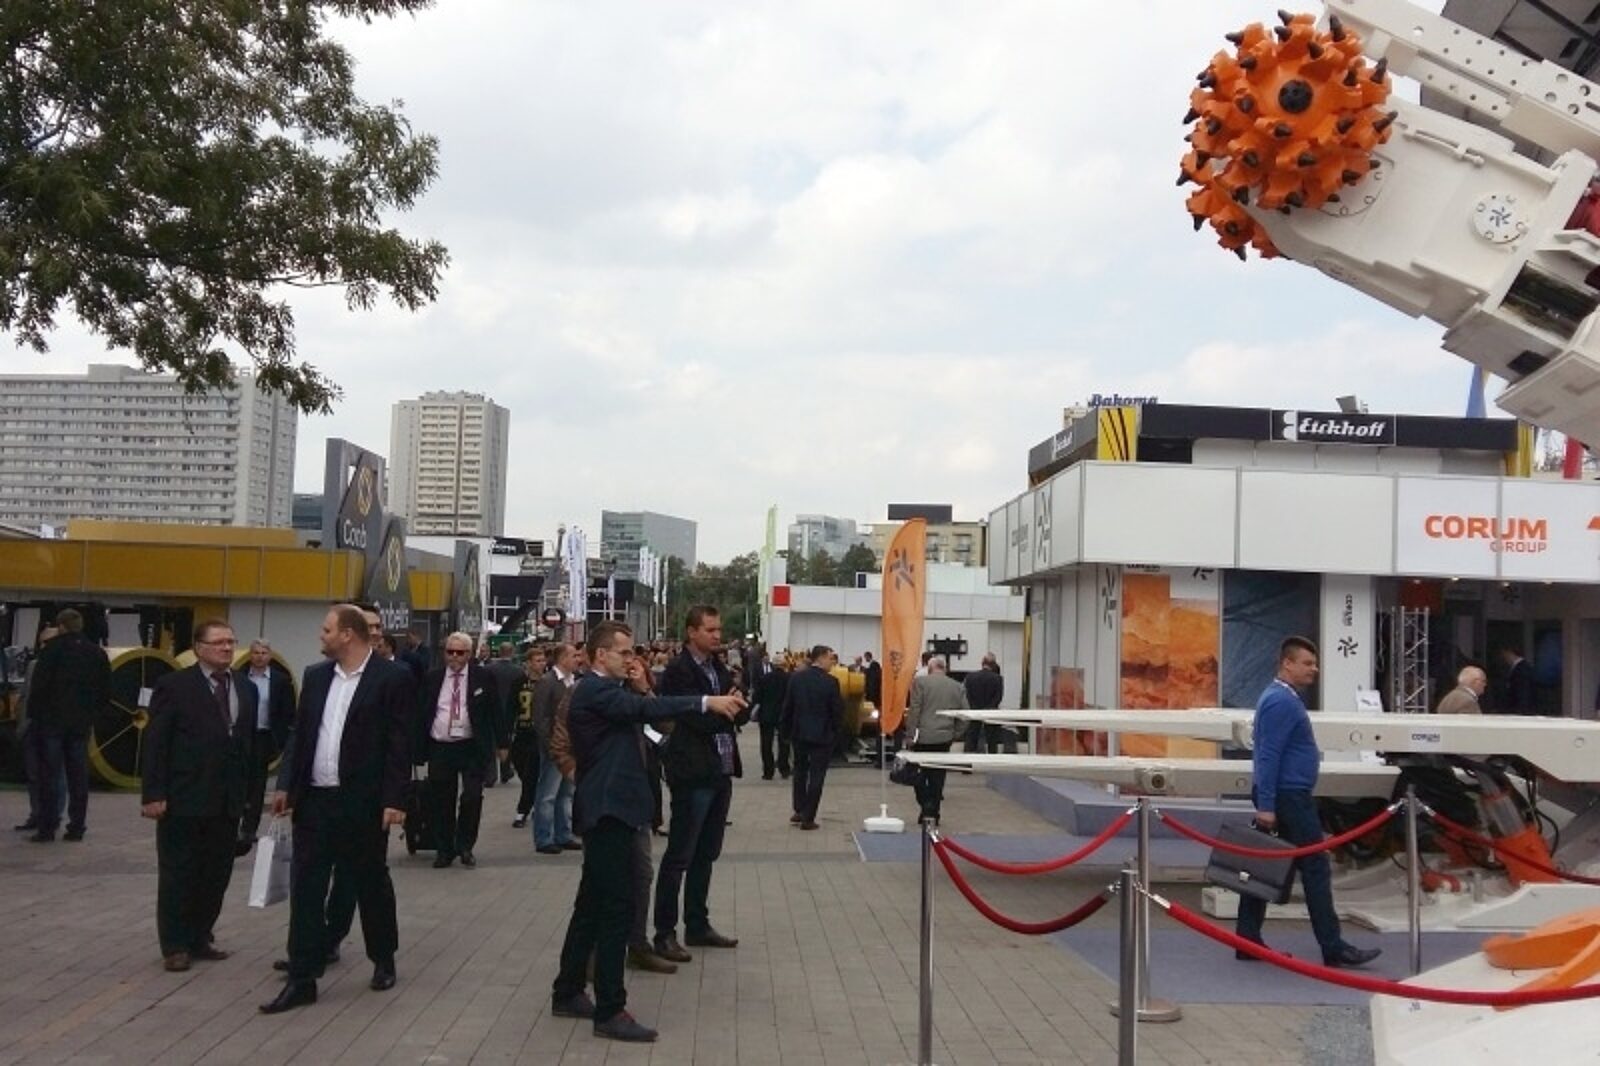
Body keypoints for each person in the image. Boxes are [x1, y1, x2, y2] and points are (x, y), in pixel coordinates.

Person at [550, 621, 744, 1043]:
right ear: (600, 656)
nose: (631, 659)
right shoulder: (595, 690)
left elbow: (653, 728)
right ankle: (610, 1009)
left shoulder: (614, 692)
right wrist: (705, 701)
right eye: (623, 652)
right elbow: (643, 713)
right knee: (617, 907)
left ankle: (568, 990)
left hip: (617, 809)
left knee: (591, 904)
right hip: (610, 811)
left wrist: (643, 690)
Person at [261, 605, 412, 1013]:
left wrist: (395, 799)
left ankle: (383, 956)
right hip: (315, 801)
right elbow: (300, 734)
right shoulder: (316, 676)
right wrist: (286, 784)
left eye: (327, 630)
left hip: (362, 802)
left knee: (370, 882)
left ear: (348, 634)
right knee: (306, 888)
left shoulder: (391, 678)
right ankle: (303, 976)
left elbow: (400, 742)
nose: (321, 636)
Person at [1236, 636, 1381, 969]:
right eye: (1307, 663)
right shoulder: (1281, 701)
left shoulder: (1280, 698)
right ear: (1287, 663)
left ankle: (1247, 939)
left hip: (1286, 795)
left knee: (1266, 865)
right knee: (1314, 868)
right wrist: (1267, 805)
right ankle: (1332, 946)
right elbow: (1268, 755)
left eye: (1314, 664)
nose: (1314, 669)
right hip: (1289, 797)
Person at [142, 619, 255, 972]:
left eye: (231, 641)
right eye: (219, 642)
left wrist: (250, 801)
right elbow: (156, 743)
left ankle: (200, 935)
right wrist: (153, 793)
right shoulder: (174, 686)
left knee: (215, 874)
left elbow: (249, 747)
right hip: (184, 797)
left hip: (227, 800)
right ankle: (175, 944)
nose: (226, 648)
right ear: (199, 648)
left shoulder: (245, 687)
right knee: (179, 873)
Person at [653, 605, 749, 964]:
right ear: (692, 632)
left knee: (706, 853)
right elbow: (692, 718)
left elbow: (735, 710)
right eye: (710, 630)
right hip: (693, 772)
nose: (717, 636)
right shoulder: (679, 671)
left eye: (718, 629)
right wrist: (723, 712)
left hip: (720, 770)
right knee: (680, 854)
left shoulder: (718, 667)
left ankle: (697, 923)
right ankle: (664, 931)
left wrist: (732, 709)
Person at [417, 631, 506, 869]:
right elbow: (422, 711)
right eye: (450, 652)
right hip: (441, 746)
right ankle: (444, 849)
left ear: (469, 654)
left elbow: (495, 710)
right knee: (441, 800)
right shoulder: (433, 678)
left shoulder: (483, 677)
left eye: (460, 652)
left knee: (472, 796)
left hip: (471, 747)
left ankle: (465, 845)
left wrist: (502, 743)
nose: (454, 657)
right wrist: (416, 748)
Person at [27, 608, 110, 843]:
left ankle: (47, 827)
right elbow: (105, 690)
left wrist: (34, 717)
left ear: (61, 626)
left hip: (51, 722)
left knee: (50, 776)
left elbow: (39, 687)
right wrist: (92, 715)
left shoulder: (51, 651)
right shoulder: (96, 653)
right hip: (80, 724)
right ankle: (77, 826)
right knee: (78, 776)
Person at [240, 639, 295, 854]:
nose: (260, 656)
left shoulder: (280, 681)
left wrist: (281, 739)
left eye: (264, 653)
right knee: (239, 779)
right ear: (250, 655)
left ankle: (249, 828)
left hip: (264, 737)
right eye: (256, 652)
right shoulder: (240, 677)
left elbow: (287, 712)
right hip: (242, 736)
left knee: (257, 783)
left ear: (270, 656)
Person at [781, 645, 844, 830]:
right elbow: (836, 711)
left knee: (799, 772)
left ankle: (799, 809)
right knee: (817, 775)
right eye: (830, 658)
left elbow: (788, 707)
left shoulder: (796, 678)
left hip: (799, 733)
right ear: (821, 658)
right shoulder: (831, 682)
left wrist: (785, 731)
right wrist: (836, 733)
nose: (832, 662)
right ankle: (808, 817)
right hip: (822, 735)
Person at [14, 625, 66, 834]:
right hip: (31, 726)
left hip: (54, 726)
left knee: (56, 774)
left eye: (48, 642)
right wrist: (22, 724)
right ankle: (36, 813)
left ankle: (54, 815)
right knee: (34, 774)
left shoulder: (63, 667)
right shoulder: (33, 665)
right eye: (42, 643)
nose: (44, 646)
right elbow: (24, 696)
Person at [532, 642, 582, 854]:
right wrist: (550, 745)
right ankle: (544, 837)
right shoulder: (548, 682)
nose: (578, 659)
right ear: (562, 659)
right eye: (574, 656)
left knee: (566, 793)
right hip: (554, 747)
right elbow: (540, 717)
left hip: (571, 747)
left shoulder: (574, 681)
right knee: (548, 794)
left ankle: (564, 833)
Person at [905, 656, 967, 825]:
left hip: (922, 737)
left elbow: (915, 710)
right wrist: (956, 733)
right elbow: (965, 714)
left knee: (919, 775)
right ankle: (934, 813)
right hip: (944, 738)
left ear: (929, 669)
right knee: (938, 776)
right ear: (944, 669)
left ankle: (926, 806)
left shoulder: (920, 683)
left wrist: (910, 734)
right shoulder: (957, 686)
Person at [510, 644, 547, 828]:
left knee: (531, 772)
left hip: (538, 734)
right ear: (529, 663)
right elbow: (511, 706)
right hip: (521, 731)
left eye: (543, 660)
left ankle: (522, 810)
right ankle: (532, 799)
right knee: (521, 768)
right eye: (537, 661)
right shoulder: (519, 682)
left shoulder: (547, 682)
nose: (541, 664)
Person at [485, 642, 525, 784]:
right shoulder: (519, 671)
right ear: (512, 652)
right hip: (510, 710)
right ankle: (506, 770)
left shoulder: (489, 669)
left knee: (491, 741)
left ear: (499, 652)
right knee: (507, 740)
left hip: (491, 709)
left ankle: (490, 774)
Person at [751, 646, 791, 780]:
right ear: (784, 665)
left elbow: (757, 697)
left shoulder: (764, 679)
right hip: (784, 714)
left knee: (766, 744)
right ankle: (784, 768)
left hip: (766, 714)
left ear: (773, 665)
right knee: (784, 742)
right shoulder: (789, 679)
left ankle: (768, 771)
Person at [962, 653, 1014, 754]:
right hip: (991, 713)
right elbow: (998, 697)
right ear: (994, 664)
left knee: (972, 739)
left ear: (982, 663)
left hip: (974, 712)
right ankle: (992, 759)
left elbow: (967, 695)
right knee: (992, 741)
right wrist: (989, 708)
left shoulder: (970, 677)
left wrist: (974, 707)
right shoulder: (998, 678)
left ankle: (969, 759)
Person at [1494, 646, 1537, 716]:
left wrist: (1520, 712)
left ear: (1509, 653)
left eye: (1504, 655)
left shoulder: (1521, 670)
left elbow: (1523, 693)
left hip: (1521, 712)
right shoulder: (1520, 668)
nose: (1503, 658)